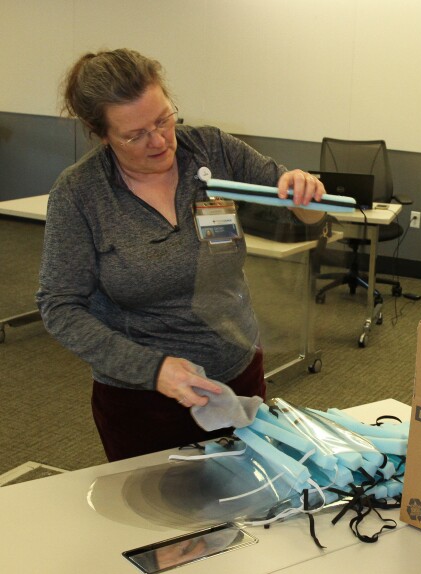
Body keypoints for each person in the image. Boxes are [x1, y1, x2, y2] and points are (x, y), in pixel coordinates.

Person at [36, 48, 324, 461]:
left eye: (164, 119)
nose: (158, 141)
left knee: (252, 507)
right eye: (135, 135)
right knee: (160, 520)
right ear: (102, 135)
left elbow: (304, 214)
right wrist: (152, 369)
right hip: (143, 401)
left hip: (237, 372)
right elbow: (59, 306)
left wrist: (305, 195)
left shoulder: (211, 150)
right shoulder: (80, 193)